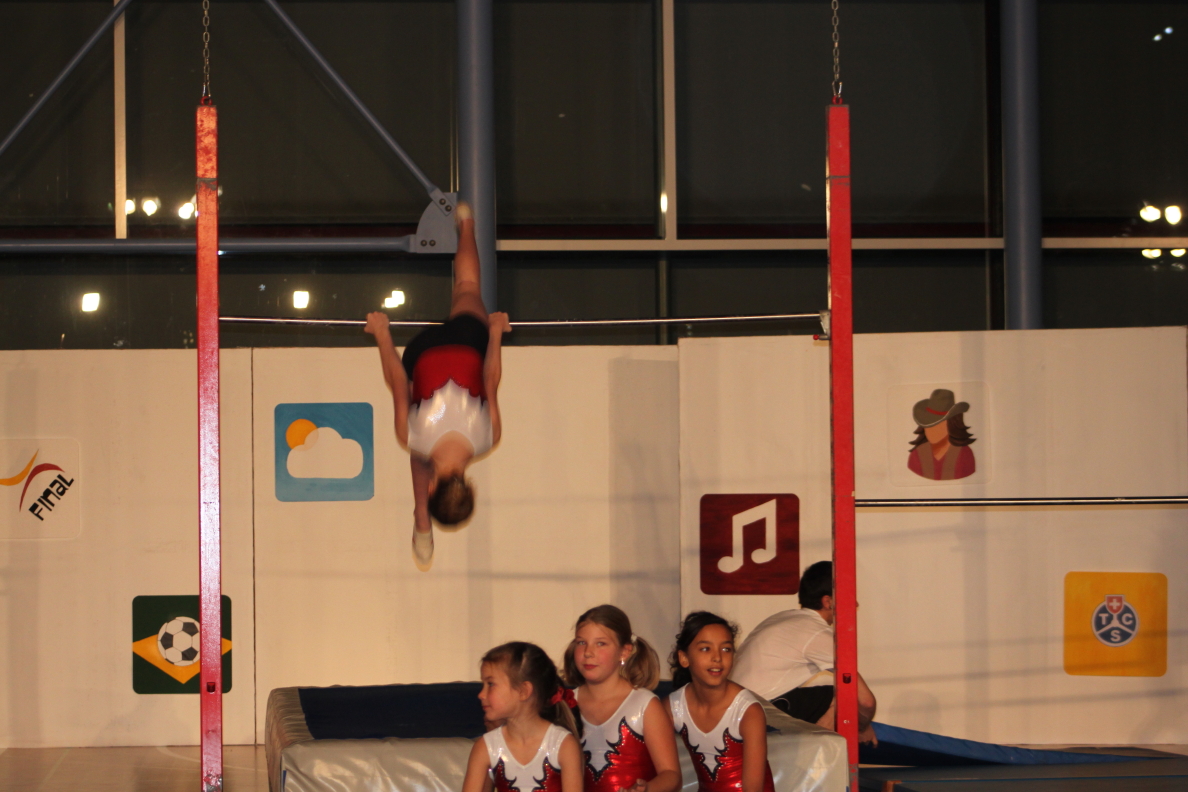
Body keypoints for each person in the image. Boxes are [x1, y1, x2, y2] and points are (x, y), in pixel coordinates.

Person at [365, 202, 512, 571]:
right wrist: (382, 334)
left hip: (467, 342)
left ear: (470, 487)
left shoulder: (489, 438)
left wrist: (495, 333)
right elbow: (398, 382)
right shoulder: (410, 437)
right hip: (422, 351)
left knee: (468, 285)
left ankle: (466, 224)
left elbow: (491, 378)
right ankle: (420, 518)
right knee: (418, 446)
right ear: (432, 488)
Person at [732, 561, 877, 744]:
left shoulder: (783, 618)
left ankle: (813, 746)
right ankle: (815, 752)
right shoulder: (817, 633)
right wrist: (861, 727)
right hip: (755, 714)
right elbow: (866, 701)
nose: (855, 604)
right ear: (828, 602)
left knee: (831, 696)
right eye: (850, 597)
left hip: (734, 711)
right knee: (845, 695)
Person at [562, 605, 681, 792]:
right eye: (581, 642)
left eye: (600, 643)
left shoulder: (644, 705)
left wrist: (647, 788)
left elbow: (671, 775)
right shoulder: (566, 703)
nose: (588, 652)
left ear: (624, 652)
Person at [667, 612, 774, 792]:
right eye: (705, 649)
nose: (717, 657)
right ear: (684, 658)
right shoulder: (673, 707)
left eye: (726, 649)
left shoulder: (748, 712)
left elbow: (753, 788)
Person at [463, 642, 585, 792]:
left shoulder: (563, 745)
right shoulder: (486, 747)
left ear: (523, 691)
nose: (481, 694)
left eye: (491, 684)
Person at [907, 388, 976, 481]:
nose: (931, 430)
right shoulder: (917, 455)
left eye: (938, 424)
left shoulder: (964, 455)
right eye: (928, 424)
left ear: (952, 423)